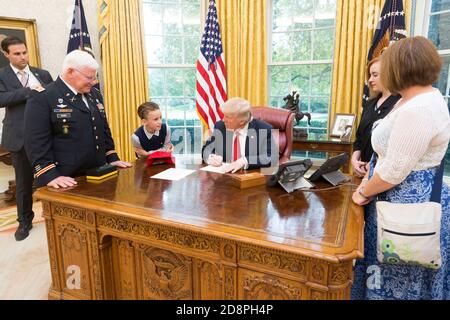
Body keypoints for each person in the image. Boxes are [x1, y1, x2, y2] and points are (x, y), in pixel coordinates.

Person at [351, 36, 450, 300]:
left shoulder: (419, 109)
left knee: (398, 282)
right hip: (391, 202)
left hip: (405, 211)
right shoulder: (412, 99)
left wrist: (363, 192)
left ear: (398, 69)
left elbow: (395, 170)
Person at [24, 50, 132, 192]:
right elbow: (35, 142)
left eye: (95, 77)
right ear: (70, 72)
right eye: (89, 77)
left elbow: (103, 128)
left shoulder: (94, 94)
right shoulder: (43, 97)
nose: (94, 82)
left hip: (100, 173)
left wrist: (112, 158)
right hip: (66, 178)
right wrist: (49, 175)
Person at [0, 36, 53, 241]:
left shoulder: (42, 73)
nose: (23, 57)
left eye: (25, 52)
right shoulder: (2, 75)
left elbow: (53, 97)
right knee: (23, 184)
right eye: (17, 54)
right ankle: (24, 222)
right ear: (6, 55)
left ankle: (54, 216)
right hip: (19, 138)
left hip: (46, 137)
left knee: (50, 178)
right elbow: (2, 98)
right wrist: (29, 91)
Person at [351, 57, 401, 177]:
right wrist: (354, 160)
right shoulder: (369, 104)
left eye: (374, 75)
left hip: (384, 173)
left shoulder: (399, 103)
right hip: (363, 171)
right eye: (370, 75)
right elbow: (359, 138)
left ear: (388, 75)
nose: (370, 80)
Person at [202, 97, 276, 173]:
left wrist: (245, 161)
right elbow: (206, 149)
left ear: (241, 122)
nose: (223, 120)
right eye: (224, 115)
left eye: (227, 117)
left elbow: (271, 157)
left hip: (248, 177)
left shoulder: (263, 129)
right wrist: (210, 157)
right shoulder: (220, 126)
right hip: (224, 175)